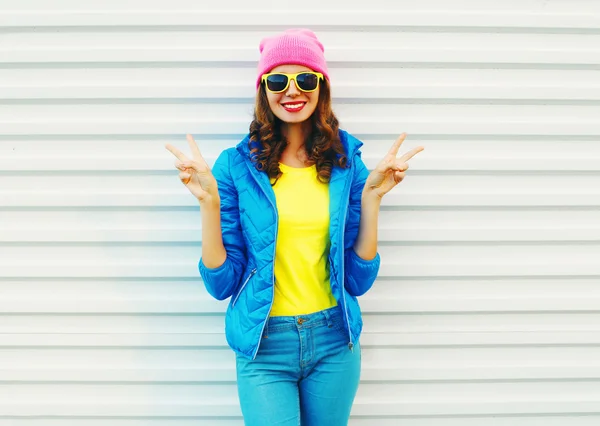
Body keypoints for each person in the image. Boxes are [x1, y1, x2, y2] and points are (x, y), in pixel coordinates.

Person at [166, 28, 424, 426]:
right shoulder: (234, 167)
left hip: (334, 338)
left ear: (321, 87)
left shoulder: (345, 164)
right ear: (263, 90)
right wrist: (209, 204)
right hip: (264, 344)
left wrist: (372, 199)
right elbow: (221, 285)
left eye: (305, 78)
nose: (292, 91)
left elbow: (357, 280)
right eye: (277, 80)